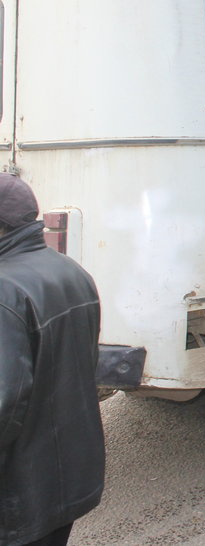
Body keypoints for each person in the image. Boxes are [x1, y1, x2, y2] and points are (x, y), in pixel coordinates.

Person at [0, 174, 104, 546]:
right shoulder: (71, 270)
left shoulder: (5, 290)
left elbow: (5, 403)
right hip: (67, 476)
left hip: (17, 492)